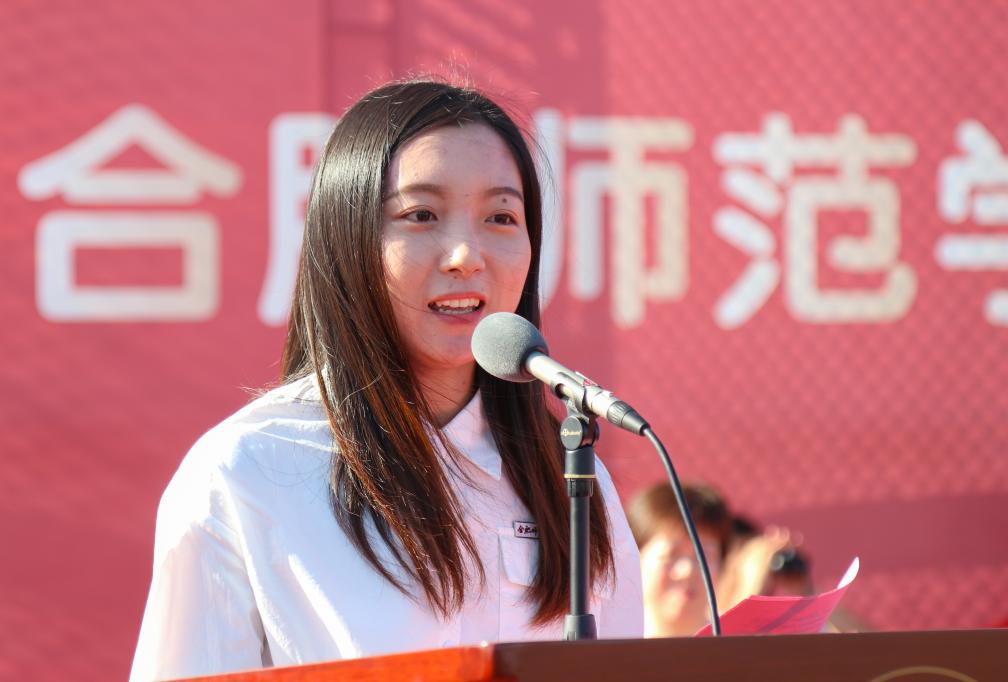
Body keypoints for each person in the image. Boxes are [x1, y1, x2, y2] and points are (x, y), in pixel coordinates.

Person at [129, 80, 642, 681]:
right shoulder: (247, 469)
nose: (465, 255)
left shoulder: (572, 478)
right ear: (348, 239)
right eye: (421, 215)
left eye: (501, 217)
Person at [626, 481, 732, 637]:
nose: (687, 571)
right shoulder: (606, 641)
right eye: (670, 555)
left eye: (703, 557)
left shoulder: (740, 644)